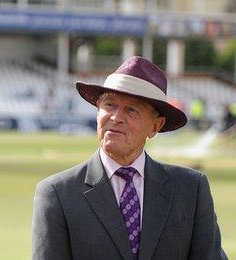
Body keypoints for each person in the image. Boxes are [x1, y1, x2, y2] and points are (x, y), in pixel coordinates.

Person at [32, 56, 226, 260]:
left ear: (155, 126)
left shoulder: (191, 189)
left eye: (132, 109)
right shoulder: (58, 194)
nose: (116, 117)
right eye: (109, 105)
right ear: (97, 110)